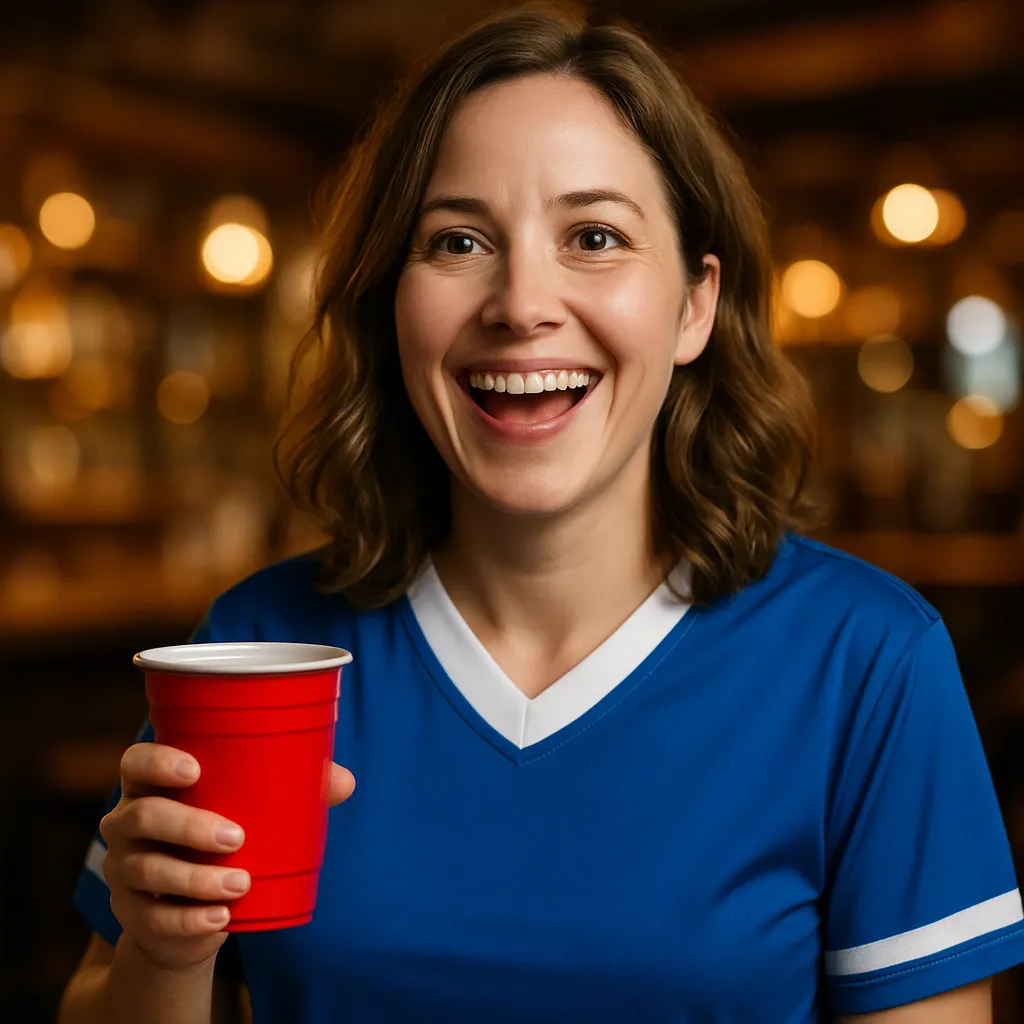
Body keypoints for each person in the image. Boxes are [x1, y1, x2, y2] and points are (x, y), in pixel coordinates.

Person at [60, 6, 1024, 1023]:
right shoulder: (259, 645)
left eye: (595, 236)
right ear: (393, 302)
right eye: (459, 239)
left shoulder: (865, 661)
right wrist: (165, 958)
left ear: (694, 304)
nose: (522, 301)